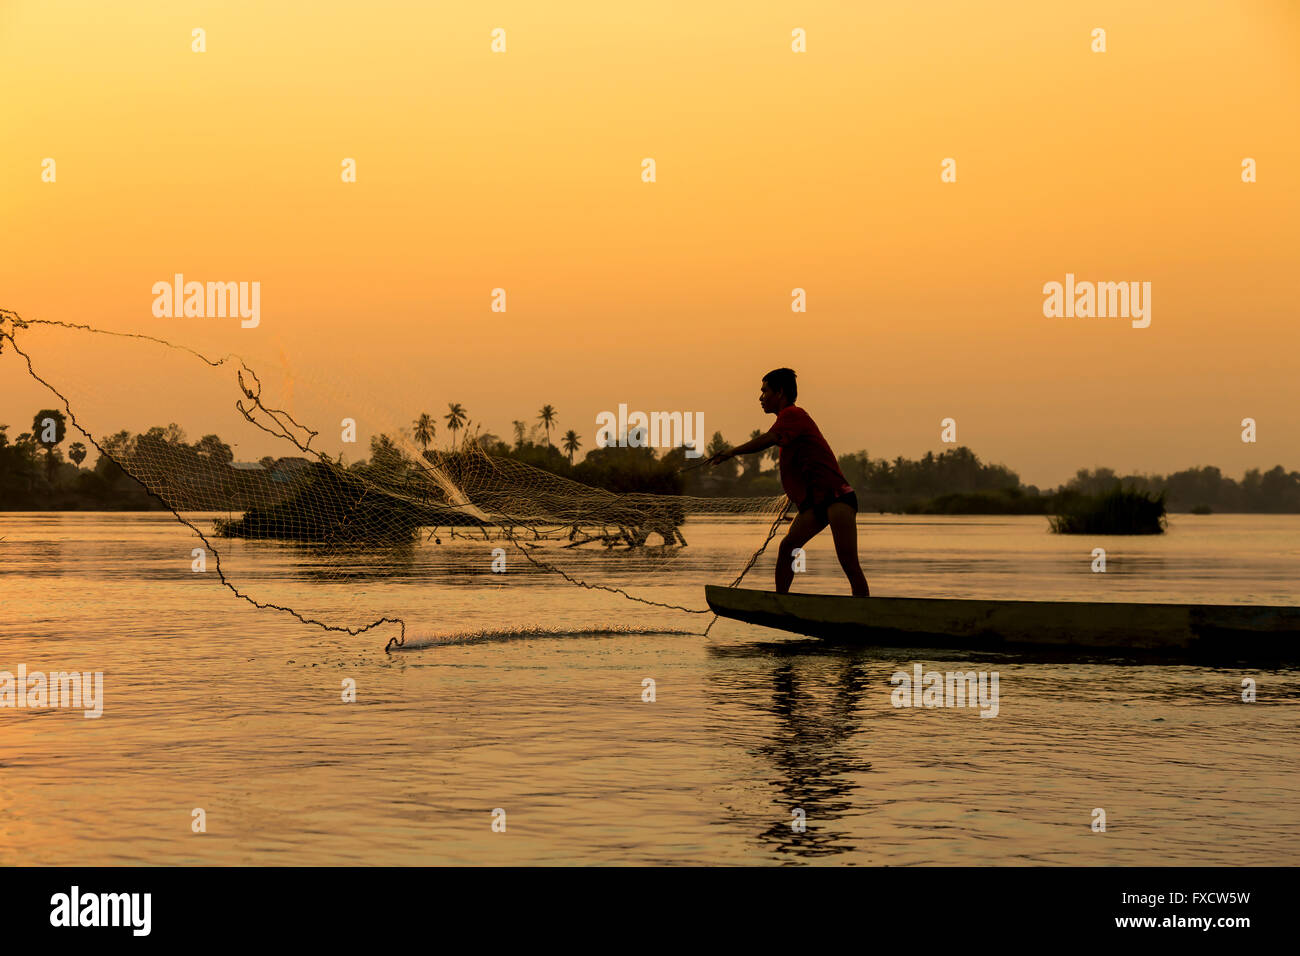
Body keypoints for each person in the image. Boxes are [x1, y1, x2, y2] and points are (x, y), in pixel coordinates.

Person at [705, 368, 869, 596]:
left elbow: (769, 439)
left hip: (837, 497)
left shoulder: (793, 414)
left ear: (780, 393)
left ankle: (864, 615)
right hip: (816, 502)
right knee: (787, 548)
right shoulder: (786, 422)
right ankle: (782, 602)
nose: (760, 398)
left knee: (849, 563)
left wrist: (732, 452)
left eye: (765, 391)